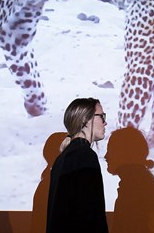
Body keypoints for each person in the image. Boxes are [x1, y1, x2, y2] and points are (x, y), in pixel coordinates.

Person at [46, 97, 109, 233]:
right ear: (85, 119)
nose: (106, 122)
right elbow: (92, 215)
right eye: (102, 116)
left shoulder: (62, 158)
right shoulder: (84, 155)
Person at [105, 127, 154, 233]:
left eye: (110, 150)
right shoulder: (142, 186)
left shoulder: (132, 192)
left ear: (123, 154)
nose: (106, 156)